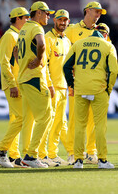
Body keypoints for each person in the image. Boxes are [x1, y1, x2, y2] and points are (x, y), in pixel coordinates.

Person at [63, 27, 118, 169]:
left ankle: (78, 161)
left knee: (80, 125)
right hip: (99, 89)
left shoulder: (78, 44)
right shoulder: (108, 45)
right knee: (100, 125)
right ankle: (102, 160)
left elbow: (66, 66)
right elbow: (114, 70)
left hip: (81, 89)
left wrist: (71, 84)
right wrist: (109, 88)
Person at [65, 1, 107, 164]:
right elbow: (64, 56)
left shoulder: (100, 32)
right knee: (76, 119)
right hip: (78, 83)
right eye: (96, 12)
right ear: (87, 11)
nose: (98, 15)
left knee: (93, 121)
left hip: (95, 83)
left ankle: (91, 152)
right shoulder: (72, 30)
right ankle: (72, 153)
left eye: (99, 13)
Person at [0, 7, 32, 168]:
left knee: (17, 120)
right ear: (18, 18)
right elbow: (4, 62)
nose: (28, 20)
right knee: (20, 118)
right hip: (12, 84)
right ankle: (0, 151)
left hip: (18, 82)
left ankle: (14, 156)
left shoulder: (18, 35)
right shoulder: (9, 36)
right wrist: (13, 84)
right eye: (26, 17)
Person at [16, 1, 54, 168]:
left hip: (23, 77)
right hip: (34, 78)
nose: (48, 16)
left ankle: (28, 154)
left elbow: (16, 51)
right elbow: (41, 44)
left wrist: (24, 64)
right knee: (46, 116)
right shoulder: (37, 28)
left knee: (30, 119)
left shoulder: (24, 29)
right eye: (46, 13)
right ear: (38, 13)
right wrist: (38, 59)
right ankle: (31, 156)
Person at [38, 9, 71, 167]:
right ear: (55, 21)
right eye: (60, 20)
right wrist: (49, 85)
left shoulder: (67, 41)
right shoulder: (48, 38)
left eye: (65, 20)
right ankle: (41, 154)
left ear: (68, 22)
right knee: (48, 122)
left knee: (58, 124)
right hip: (51, 88)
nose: (62, 22)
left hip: (63, 87)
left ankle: (52, 154)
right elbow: (44, 66)